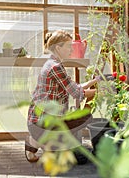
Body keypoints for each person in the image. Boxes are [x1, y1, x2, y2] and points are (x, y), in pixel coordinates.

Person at [25, 30, 99, 163]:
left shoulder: (51, 64)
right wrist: (101, 93)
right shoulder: (55, 67)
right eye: (69, 46)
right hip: (44, 123)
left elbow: (74, 87)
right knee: (85, 118)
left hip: (39, 120)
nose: (72, 49)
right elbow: (77, 93)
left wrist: (95, 81)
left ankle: (40, 142)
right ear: (58, 48)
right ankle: (41, 141)